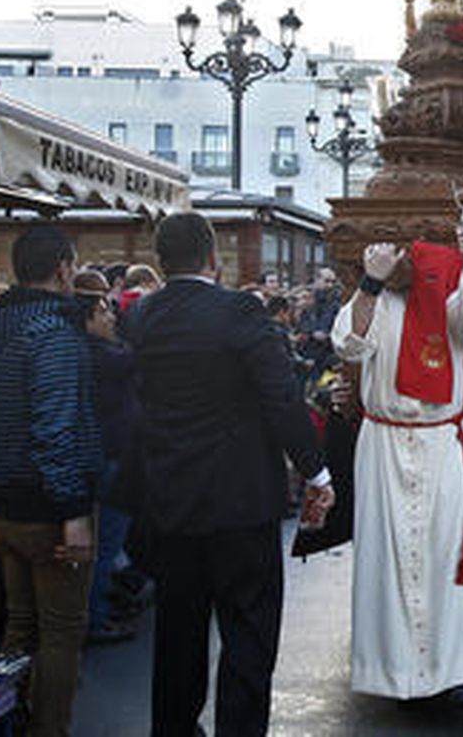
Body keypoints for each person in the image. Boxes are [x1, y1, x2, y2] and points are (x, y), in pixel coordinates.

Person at [123, 212, 332, 737]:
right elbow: (280, 397)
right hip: (239, 500)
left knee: (178, 632)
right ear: (214, 258)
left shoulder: (142, 316)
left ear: (159, 261)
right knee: (248, 633)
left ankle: (172, 729)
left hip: (171, 498)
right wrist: (316, 470)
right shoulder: (238, 311)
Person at [329, 227, 463, 702]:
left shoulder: (452, 283)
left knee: (447, 558)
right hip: (383, 443)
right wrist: (371, 283)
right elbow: (348, 345)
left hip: (441, 441)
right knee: (386, 558)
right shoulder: (375, 295)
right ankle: (391, 671)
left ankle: (450, 671)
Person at [0, 225, 102, 737]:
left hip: (1, 502)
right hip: (48, 508)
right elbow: (56, 428)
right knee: (62, 634)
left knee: (19, 625)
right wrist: (73, 514)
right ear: (64, 268)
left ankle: (7, 723)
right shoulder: (54, 335)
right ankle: (47, 730)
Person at [70, 269, 140, 646]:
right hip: (108, 458)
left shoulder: (93, 352)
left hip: (106, 455)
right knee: (104, 545)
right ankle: (94, 617)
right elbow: (133, 357)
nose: (111, 317)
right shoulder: (101, 356)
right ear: (88, 320)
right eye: (103, 312)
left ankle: (99, 608)